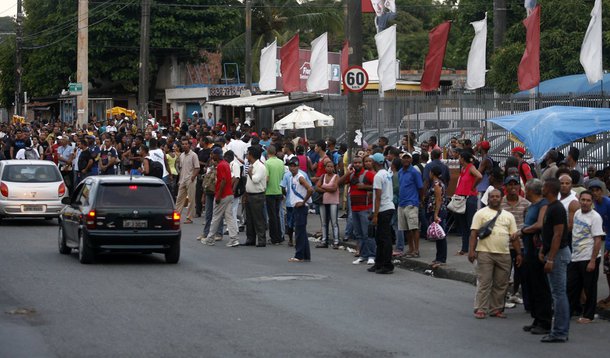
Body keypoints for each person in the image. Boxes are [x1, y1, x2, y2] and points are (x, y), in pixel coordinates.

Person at [469, 189, 521, 319]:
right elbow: (474, 233)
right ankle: (480, 308)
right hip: (485, 252)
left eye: (497, 197)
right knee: (484, 282)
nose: (495, 199)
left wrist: (519, 253)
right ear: (488, 199)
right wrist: (471, 251)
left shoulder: (509, 216)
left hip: (504, 253)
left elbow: (514, 237)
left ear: (501, 199)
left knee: (501, 283)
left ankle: (496, 309)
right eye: (492, 197)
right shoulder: (480, 214)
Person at [517, 179, 553, 335]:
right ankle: (537, 318)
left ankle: (544, 321)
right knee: (532, 286)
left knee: (541, 287)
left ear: (530, 190)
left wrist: (523, 231)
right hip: (528, 251)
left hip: (538, 252)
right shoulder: (531, 206)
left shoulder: (543, 204)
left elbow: (540, 225)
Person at [539, 178, 570, 343]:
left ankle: (559, 331)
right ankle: (558, 329)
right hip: (553, 253)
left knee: (559, 294)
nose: (542, 188)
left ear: (549, 189)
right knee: (557, 293)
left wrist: (551, 258)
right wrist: (544, 251)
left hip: (558, 254)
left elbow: (558, 234)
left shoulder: (556, 209)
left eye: (544, 186)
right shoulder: (551, 207)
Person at [566, 190, 604, 324]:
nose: (585, 203)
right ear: (579, 200)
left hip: (589, 257)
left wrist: (593, 261)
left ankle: (589, 315)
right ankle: (568, 313)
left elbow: (598, 239)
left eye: (588, 200)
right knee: (571, 287)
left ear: (592, 202)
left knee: (590, 288)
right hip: (575, 257)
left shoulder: (595, 217)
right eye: (583, 200)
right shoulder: (577, 213)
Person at [340, 156, 376, 265]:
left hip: (365, 209)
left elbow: (377, 186)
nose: (357, 165)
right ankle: (363, 255)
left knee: (367, 233)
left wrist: (364, 187)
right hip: (354, 209)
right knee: (359, 234)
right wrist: (347, 173)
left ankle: (371, 255)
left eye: (359, 163)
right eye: (355, 163)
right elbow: (339, 183)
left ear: (363, 164)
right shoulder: (351, 176)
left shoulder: (368, 174)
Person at [501, 175, 531, 306]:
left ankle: (515, 294)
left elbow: (529, 223)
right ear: (505, 187)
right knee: (504, 272)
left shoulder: (526, 203)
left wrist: (520, 233)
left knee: (521, 272)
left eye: (515, 184)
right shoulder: (500, 203)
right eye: (510, 184)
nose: (513, 187)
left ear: (519, 187)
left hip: (521, 243)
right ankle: (502, 296)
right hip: (504, 243)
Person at [201, 147, 239, 248]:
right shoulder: (225, 164)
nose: (211, 156)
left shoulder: (221, 165)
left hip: (223, 195)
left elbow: (223, 181)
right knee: (229, 217)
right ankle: (234, 239)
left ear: (217, 155)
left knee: (216, 217)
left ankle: (210, 239)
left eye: (213, 154)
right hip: (229, 194)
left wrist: (218, 196)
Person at [585, 179, 610, 309]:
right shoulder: (592, 205)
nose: (595, 193)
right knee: (607, 271)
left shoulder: (608, 203)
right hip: (606, 240)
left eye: (597, 190)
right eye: (592, 191)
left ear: (602, 191)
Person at [286, 157, 313, 262]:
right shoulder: (292, 177)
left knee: (299, 231)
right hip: (296, 207)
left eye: (294, 166)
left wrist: (303, 201)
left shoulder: (300, 177)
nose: (292, 168)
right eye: (290, 166)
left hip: (301, 207)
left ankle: (299, 255)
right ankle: (306, 254)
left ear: (298, 166)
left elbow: (310, 189)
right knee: (302, 231)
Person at [455, 151, 482, 255]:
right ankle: (464, 248)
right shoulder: (463, 169)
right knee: (463, 224)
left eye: (460, 157)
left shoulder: (471, 167)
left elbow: (479, 176)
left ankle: (473, 248)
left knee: (470, 224)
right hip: (462, 198)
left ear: (463, 159)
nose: (458, 159)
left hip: (470, 198)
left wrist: (473, 186)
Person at [397, 152, 424, 258]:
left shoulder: (414, 172)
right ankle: (411, 249)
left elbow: (420, 187)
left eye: (408, 158)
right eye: (404, 158)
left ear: (411, 160)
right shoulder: (400, 172)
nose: (406, 160)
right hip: (402, 203)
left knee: (414, 228)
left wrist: (420, 200)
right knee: (406, 229)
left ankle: (416, 250)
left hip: (412, 202)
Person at [244, 146, 268, 247]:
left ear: (251, 155)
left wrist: (250, 173)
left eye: (248, 154)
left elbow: (255, 179)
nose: (246, 155)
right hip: (250, 194)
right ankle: (250, 239)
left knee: (258, 218)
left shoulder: (260, 167)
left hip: (257, 195)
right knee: (249, 219)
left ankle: (261, 240)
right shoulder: (251, 165)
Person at [315, 160, 340, 249]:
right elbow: (316, 187)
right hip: (323, 202)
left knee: (334, 222)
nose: (330, 168)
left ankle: (336, 241)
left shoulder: (336, 176)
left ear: (334, 168)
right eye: (328, 166)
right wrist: (327, 189)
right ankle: (324, 241)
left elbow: (334, 188)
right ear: (325, 168)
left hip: (333, 201)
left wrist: (323, 187)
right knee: (324, 222)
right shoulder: (322, 176)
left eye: (331, 166)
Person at [426, 166, 448, 268]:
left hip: (438, 211)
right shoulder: (438, 183)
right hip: (436, 211)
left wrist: (436, 214)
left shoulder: (437, 184)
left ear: (432, 173)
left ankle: (441, 258)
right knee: (437, 235)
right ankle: (438, 257)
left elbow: (439, 199)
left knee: (440, 235)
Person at [175, 138, 200, 224]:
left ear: (189, 145)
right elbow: (181, 168)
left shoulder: (194, 155)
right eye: (183, 144)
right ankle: (176, 217)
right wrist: (180, 180)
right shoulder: (181, 155)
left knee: (191, 199)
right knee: (179, 199)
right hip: (182, 179)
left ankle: (189, 218)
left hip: (190, 179)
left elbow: (197, 167)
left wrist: (193, 177)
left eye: (186, 144)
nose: (184, 145)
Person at [265, 145, 285, 245]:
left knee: (272, 216)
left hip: (269, 192)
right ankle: (279, 236)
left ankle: (274, 238)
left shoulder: (267, 163)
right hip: (279, 190)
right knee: (277, 215)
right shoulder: (281, 162)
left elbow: (267, 179)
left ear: (268, 152)